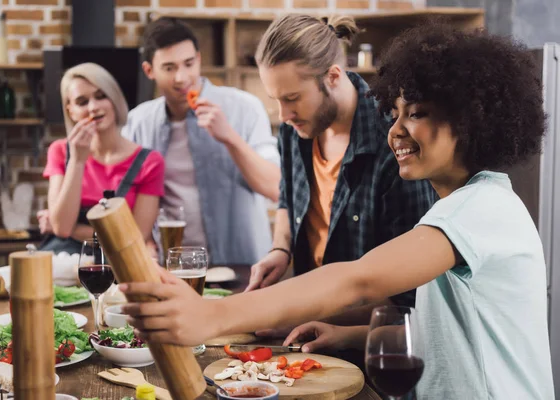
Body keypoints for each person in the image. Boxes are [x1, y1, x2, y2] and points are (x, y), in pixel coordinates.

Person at [119, 21, 554, 399]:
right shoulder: (457, 207)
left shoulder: (480, 210)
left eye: (416, 114)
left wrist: (212, 316)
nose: (396, 131)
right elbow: (447, 326)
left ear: (471, 121)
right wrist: (350, 333)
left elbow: (359, 278)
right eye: (395, 113)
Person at [243, 14, 435, 321]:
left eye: (292, 98)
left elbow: (412, 291)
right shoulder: (296, 131)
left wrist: (312, 318)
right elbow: (286, 198)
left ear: (333, 76)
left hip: (372, 340)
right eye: (276, 100)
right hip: (307, 325)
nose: (284, 114)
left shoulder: (395, 143)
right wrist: (280, 250)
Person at [122, 17, 281, 265]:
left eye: (188, 63)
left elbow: (275, 187)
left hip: (240, 265)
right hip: (171, 267)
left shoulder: (245, 108)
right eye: (169, 67)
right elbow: (130, 200)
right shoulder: (138, 121)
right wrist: (146, 242)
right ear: (149, 71)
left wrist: (229, 138)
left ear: (198, 59)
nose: (181, 78)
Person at [38, 63, 164, 254]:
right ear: (70, 110)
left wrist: (76, 230)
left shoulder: (149, 162)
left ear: (114, 98)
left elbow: (137, 239)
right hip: (63, 262)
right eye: (82, 102)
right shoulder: (61, 152)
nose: (93, 107)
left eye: (101, 96)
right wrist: (77, 161)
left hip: (117, 266)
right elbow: (62, 228)